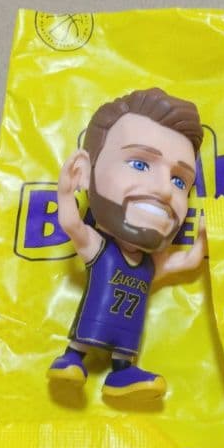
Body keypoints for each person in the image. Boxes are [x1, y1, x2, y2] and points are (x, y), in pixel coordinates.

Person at [48, 88, 206, 399]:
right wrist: (65, 192)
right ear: (83, 172)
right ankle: (72, 357)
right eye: (140, 164)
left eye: (179, 181)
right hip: (93, 325)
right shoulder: (100, 249)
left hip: (127, 335)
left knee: (125, 353)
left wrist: (202, 238)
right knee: (81, 343)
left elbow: (187, 261)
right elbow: (72, 224)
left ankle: (121, 374)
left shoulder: (150, 265)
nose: (165, 190)